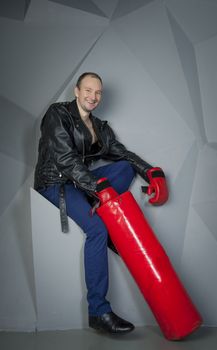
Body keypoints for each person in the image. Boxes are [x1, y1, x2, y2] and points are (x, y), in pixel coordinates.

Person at [34, 72, 168, 334]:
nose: (93, 97)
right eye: (88, 90)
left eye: (98, 92)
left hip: (81, 184)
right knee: (97, 230)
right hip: (56, 183)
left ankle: (98, 206)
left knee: (125, 168)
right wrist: (98, 188)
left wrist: (152, 172)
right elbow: (65, 160)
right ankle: (98, 311)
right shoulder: (57, 114)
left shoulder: (100, 127)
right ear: (76, 90)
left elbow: (123, 154)